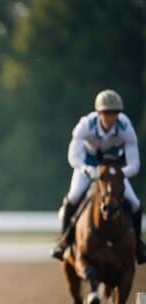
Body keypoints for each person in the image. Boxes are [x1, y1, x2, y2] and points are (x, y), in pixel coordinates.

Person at [51, 89, 146, 263]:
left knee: (135, 204)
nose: (111, 118)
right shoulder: (86, 125)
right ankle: (63, 240)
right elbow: (74, 157)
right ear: (99, 113)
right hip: (89, 165)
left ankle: (139, 245)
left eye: (115, 113)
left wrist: (115, 175)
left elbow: (134, 164)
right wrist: (87, 170)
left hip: (114, 170)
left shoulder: (126, 127)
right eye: (107, 113)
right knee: (73, 197)